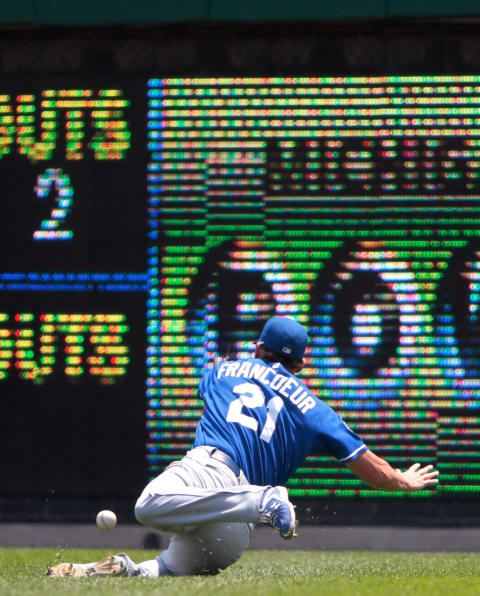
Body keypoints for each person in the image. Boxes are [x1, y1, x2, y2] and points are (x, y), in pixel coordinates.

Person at [45, 316, 438, 578]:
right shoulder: (315, 409)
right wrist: (402, 480)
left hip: (212, 474)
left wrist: (221, 365)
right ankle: (98, 572)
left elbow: (211, 374)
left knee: (147, 505)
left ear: (258, 346)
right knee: (166, 569)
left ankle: (263, 500)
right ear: (300, 363)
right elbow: (372, 468)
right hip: (235, 535)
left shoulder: (221, 370)